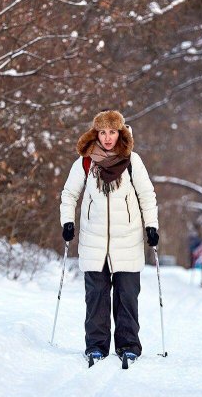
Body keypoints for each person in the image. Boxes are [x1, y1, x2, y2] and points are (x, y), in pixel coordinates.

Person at [59, 110, 159, 364]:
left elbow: (147, 195)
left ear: (120, 133)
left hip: (127, 239)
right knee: (96, 297)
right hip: (93, 240)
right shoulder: (85, 162)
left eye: (112, 132)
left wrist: (151, 226)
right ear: (96, 134)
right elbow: (69, 194)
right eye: (102, 132)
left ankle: (128, 346)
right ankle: (96, 345)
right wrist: (68, 222)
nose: (107, 138)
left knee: (127, 296)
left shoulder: (133, 161)